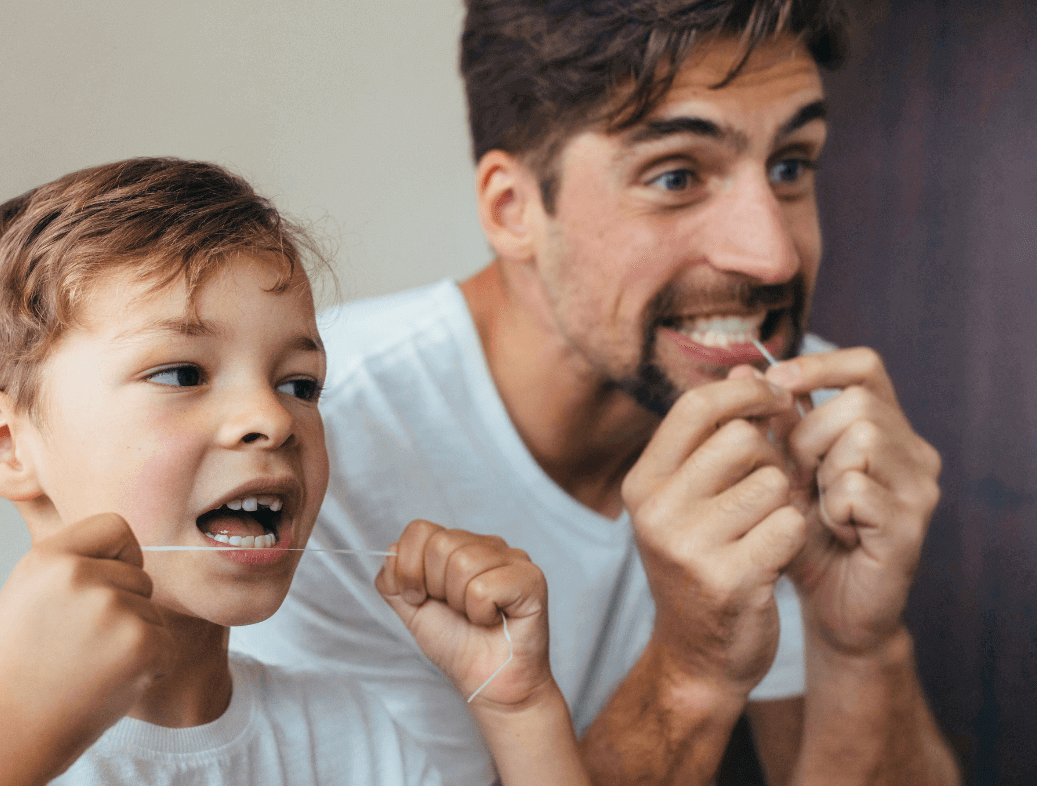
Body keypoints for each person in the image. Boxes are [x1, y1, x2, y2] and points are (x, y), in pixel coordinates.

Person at [230, 2, 961, 784]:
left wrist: (860, 642)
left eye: (790, 166)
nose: (773, 256)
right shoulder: (306, 446)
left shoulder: (795, 413)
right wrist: (691, 671)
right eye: (676, 176)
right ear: (512, 210)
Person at [0, 157, 591, 786]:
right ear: (4, 444)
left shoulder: (349, 740)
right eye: (180, 374)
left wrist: (520, 709)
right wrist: (2, 729)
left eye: (299, 384)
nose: (273, 419)